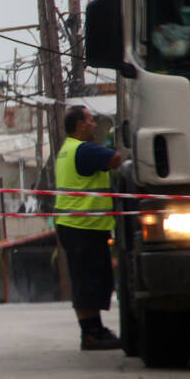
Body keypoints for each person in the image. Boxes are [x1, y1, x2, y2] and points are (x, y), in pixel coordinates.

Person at [54, 106, 122, 351]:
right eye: (91, 120)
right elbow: (115, 160)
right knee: (88, 280)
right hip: (83, 226)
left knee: (90, 279)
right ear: (80, 125)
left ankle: (95, 328)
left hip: (76, 225)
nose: (95, 125)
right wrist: (123, 148)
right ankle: (91, 333)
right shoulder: (84, 149)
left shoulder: (66, 150)